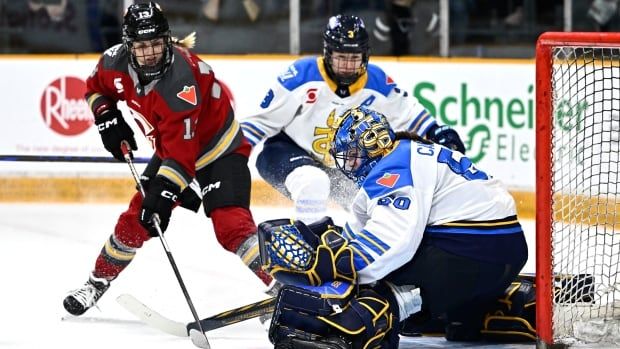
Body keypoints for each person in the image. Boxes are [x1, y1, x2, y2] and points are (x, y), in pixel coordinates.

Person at [257, 106, 529, 348]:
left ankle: (367, 326)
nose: (349, 164)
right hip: (493, 253)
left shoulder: (394, 167)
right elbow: (360, 233)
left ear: (370, 148)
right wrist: (335, 257)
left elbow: (394, 242)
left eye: (352, 155)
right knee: (394, 295)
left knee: (376, 296)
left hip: (471, 254)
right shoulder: (405, 155)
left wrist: (339, 267)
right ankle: (475, 311)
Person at [63, 2, 272, 316]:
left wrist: (165, 192)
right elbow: (94, 89)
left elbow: (182, 158)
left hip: (218, 150)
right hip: (172, 151)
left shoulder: (181, 83)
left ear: (168, 40)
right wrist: (106, 116)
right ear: (127, 45)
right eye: (141, 46)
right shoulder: (114, 62)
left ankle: (287, 287)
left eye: (156, 44)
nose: (150, 53)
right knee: (136, 222)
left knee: (230, 225)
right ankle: (96, 282)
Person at [241, 14, 465, 225]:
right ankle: (308, 249)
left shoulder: (376, 81)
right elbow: (261, 122)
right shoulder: (302, 76)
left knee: (373, 206)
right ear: (328, 54)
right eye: (341, 58)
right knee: (313, 181)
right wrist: (235, 156)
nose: (348, 65)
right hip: (284, 152)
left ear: (365, 56)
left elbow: (413, 116)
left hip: (342, 165)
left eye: (354, 58)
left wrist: (438, 132)